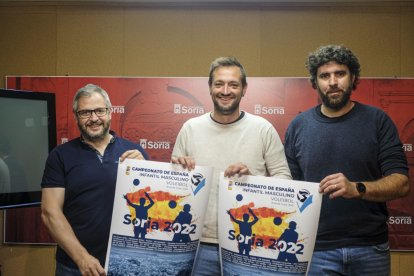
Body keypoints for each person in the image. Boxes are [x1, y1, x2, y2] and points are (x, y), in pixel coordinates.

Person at [284, 45, 410, 275]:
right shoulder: (298, 126)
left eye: (340, 74)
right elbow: (287, 187)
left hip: (370, 247)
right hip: (316, 249)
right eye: (324, 76)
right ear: (315, 83)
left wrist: (356, 188)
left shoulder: (378, 120)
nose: (332, 82)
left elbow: (401, 183)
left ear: (353, 79)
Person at [171, 56, 292, 275]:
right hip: (199, 245)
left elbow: (285, 182)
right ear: (210, 87)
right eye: (219, 84)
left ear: (244, 89)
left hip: (250, 245)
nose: (225, 90)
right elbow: (174, 189)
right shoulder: (190, 128)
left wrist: (253, 178)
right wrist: (179, 170)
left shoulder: (263, 129)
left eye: (233, 85)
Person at [40, 84, 148, 276]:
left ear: (110, 112)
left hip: (126, 265)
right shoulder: (60, 156)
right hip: (74, 266)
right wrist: (82, 258)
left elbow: (153, 208)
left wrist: (145, 170)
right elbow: (50, 212)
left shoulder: (135, 154)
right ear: (76, 117)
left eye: (99, 110)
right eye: (85, 113)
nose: (94, 118)